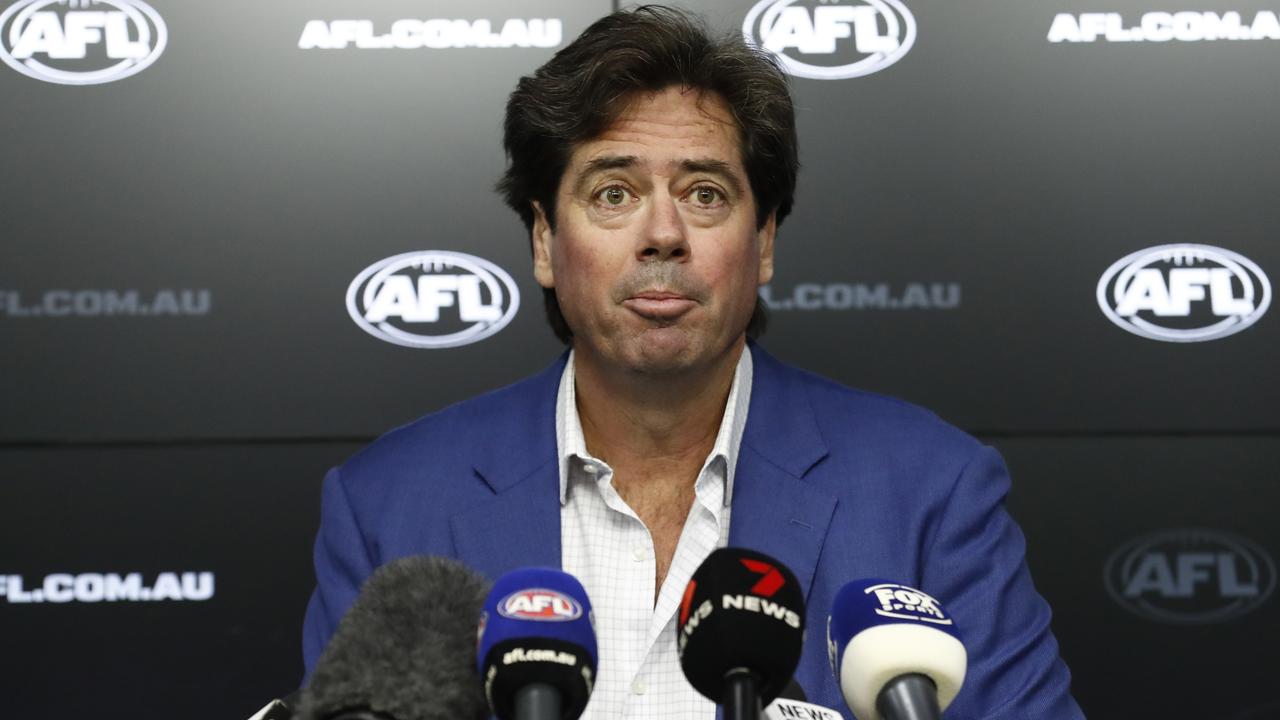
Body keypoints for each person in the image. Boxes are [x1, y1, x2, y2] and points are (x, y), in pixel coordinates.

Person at [302, 6, 1085, 719]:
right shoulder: (389, 506)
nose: (663, 234)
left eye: (705, 193)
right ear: (544, 241)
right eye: (613, 193)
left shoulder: (929, 492)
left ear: (765, 240)